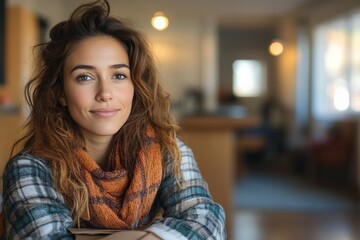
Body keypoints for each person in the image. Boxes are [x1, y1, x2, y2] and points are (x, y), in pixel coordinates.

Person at [1, 0, 226, 239]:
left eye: (118, 75)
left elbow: (207, 222)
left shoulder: (167, 150)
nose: (105, 93)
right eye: (84, 77)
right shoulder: (31, 167)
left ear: (135, 85)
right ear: (60, 92)